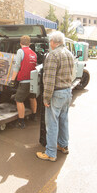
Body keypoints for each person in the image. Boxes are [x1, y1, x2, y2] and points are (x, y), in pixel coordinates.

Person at [36, 31, 74, 162]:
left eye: (50, 41)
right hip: (67, 91)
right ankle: (63, 146)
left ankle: (51, 153)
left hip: (56, 94)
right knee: (64, 121)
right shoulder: (69, 54)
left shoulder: (53, 55)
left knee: (52, 123)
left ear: (54, 42)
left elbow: (50, 79)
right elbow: (72, 74)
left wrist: (46, 98)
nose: (49, 43)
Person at [10, 35, 37, 129]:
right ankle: (33, 116)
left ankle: (21, 122)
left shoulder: (20, 51)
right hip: (33, 80)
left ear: (20, 43)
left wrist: (12, 80)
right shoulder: (34, 53)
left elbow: (17, 66)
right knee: (32, 97)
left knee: (18, 100)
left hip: (24, 80)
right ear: (29, 44)